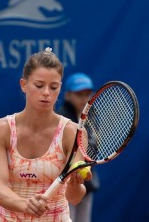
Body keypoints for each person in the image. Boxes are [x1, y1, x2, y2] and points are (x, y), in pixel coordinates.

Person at [0, 48, 92, 221]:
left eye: (54, 87)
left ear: (60, 89)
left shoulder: (73, 132)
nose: (47, 93)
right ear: (24, 85)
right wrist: (25, 204)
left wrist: (74, 184)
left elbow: (74, 197)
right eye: (39, 85)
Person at [57, 72, 100, 222]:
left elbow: (93, 147)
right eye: (79, 94)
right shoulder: (60, 117)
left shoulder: (92, 115)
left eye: (87, 94)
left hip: (85, 181)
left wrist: (83, 168)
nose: (84, 98)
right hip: (63, 186)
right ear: (68, 95)